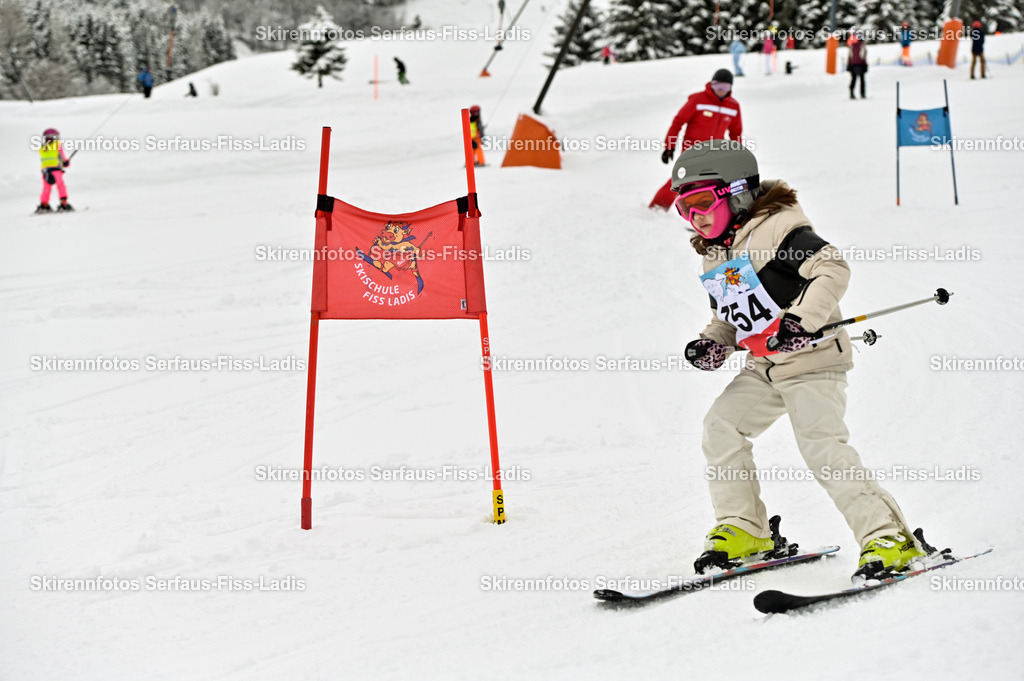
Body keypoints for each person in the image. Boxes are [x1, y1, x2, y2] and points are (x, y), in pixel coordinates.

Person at [671, 139, 927, 581]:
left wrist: (801, 320)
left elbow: (833, 269)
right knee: (722, 426)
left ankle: (888, 537)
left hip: (813, 362)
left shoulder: (779, 230)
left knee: (822, 447)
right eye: (684, 209)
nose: (696, 217)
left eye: (702, 203)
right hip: (764, 368)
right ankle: (744, 529)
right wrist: (715, 341)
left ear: (738, 192)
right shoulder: (718, 251)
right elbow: (731, 314)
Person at [661, 68, 742, 166]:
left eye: (724, 87)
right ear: (712, 84)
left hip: (716, 151)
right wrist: (669, 146)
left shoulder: (733, 106)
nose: (720, 90)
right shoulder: (698, 99)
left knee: (711, 180)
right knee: (686, 178)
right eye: (717, 85)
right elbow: (678, 122)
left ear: (730, 88)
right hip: (692, 149)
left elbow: (736, 133)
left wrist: (738, 154)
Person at [36, 127, 73, 213]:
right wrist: (66, 163)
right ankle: (63, 204)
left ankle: (43, 205)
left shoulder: (42, 148)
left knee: (46, 188)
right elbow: (62, 157)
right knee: (60, 186)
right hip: (56, 170)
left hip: (45, 171)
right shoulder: (57, 145)